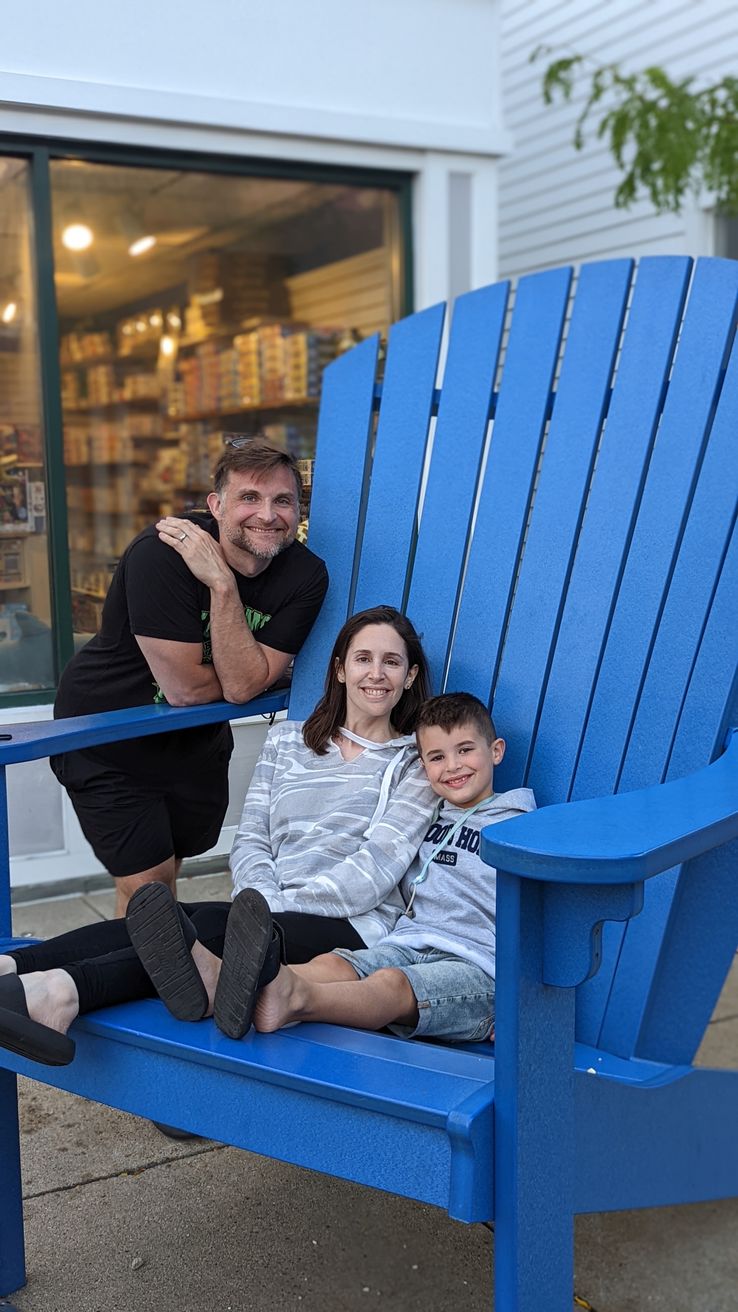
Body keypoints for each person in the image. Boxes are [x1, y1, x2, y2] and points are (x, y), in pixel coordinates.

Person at [0, 606, 436, 1066]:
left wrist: (266, 910)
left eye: (392, 662)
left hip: (353, 924)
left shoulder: (417, 762)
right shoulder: (288, 741)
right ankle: (13, 969)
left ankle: (58, 994)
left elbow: (375, 870)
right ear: (340, 669)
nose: (377, 673)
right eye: (363, 658)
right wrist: (260, 900)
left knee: (208, 930)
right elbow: (251, 840)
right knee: (176, 918)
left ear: (409, 677)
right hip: (265, 908)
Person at [50, 440, 329, 916]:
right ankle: (138, 983)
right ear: (215, 506)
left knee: (172, 865)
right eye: (249, 498)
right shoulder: (161, 554)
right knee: (150, 891)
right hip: (108, 734)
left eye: (282, 500)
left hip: (193, 744)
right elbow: (187, 689)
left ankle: (144, 967)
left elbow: (239, 687)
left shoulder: (306, 576)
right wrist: (259, 668)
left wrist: (220, 589)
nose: (267, 514)